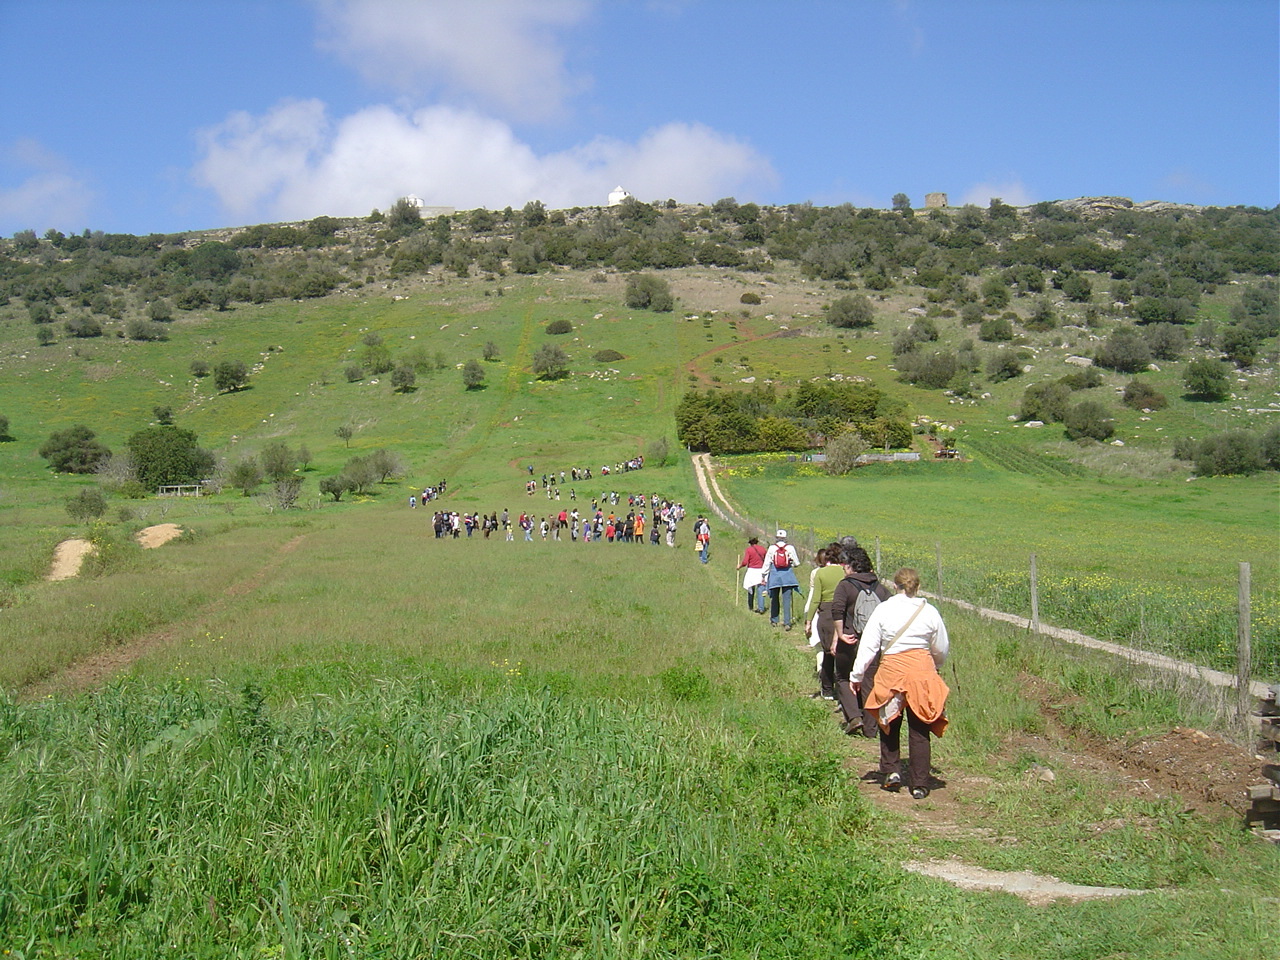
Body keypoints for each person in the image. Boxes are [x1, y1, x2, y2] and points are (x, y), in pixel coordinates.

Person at [850, 568, 950, 800]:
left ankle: (891, 771)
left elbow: (869, 646)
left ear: (895, 586)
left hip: (892, 670)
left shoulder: (883, 610)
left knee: (889, 722)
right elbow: (941, 647)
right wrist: (933, 665)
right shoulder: (929, 611)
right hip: (921, 671)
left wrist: (856, 676)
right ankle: (920, 783)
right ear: (917, 587)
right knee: (919, 727)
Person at [829, 545, 890, 735]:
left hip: (850, 639)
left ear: (850, 565)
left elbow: (837, 610)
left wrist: (839, 634)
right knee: (869, 681)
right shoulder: (881, 588)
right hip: (874, 643)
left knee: (843, 677)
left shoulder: (845, 585)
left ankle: (855, 717)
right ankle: (872, 729)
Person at [802, 545, 845, 697]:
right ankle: (844, 689)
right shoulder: (845, 572)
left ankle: (827, 689)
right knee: (842, 652)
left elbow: (815, 599)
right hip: (843, 610)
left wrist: (808, 621)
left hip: (826, 612)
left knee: (827, 652)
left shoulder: (821, 573)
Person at [762, 530, 801, 629]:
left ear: (776, 537)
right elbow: (797, 563)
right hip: (787, 576)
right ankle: (787, 622)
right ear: (785, 538)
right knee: (786, 599)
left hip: (775, 576)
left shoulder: (772, 548)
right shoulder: (790, 548)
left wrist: (763, 575)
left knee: (774, 598)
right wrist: (791, 564)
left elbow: (767, 563)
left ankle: (774, 620)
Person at [737, 537, 769, 612]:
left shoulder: (749, 550)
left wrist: (739, 566)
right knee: (761, 589)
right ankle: (761, 608)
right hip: (761, 571)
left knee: (750, 588)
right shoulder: (763, 549)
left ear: (750, 543)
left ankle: (750, 606)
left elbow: (745, 562)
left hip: (752, 571)